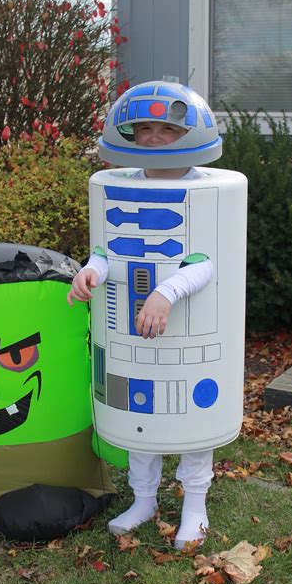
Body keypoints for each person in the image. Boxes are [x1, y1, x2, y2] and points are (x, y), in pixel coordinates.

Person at [67, 91, 219, 549]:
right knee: (139, 413)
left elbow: (208, 261)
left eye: (168, 128)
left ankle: (195, 503)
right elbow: (109, 251)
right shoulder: (119, 184)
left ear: (189, 133)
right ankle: (145, 499)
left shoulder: (209, 189)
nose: (154, 138)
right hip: (133, 333)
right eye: (144, 130)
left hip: (188, 329)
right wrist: (90, 272)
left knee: (195, 415)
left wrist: (165, 292)